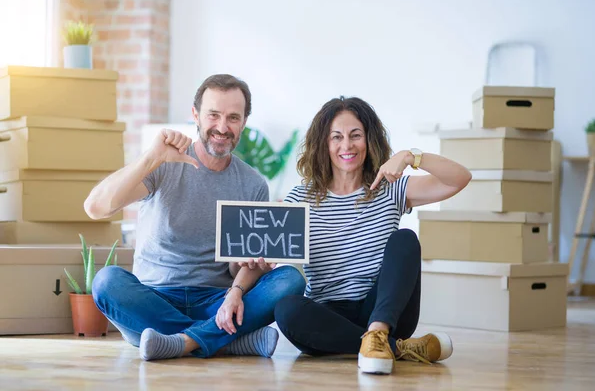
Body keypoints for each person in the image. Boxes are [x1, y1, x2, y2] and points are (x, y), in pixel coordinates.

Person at [85, 74, 306, 361]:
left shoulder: (252, 184)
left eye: (233, 118)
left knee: (290, 279)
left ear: (244, 122)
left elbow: (234, 267)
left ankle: (180, 342)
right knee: (106, 282)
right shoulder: (163, 164)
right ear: (196, 116)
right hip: (154, 298)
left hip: (216, 302)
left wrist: (240, 279)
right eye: (213, 115)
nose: (222, 127)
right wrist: (151, 157)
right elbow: (95, 207)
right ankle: (224, 342)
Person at [274, 96, 472, 375]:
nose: (347, 145)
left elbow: (460, 178)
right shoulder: (298, 200)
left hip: (385, 311)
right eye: (336, 137)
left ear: (369, 140)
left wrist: (410, 156)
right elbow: (267, 256)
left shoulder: (391, 189)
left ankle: (380, 334)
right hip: (327, 318)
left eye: (356, 135)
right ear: (324, 144)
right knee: (286, 309)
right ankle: (397, 348)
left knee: (405, 239)